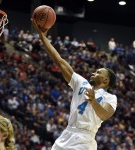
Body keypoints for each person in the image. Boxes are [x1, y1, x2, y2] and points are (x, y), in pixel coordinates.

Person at [31, 19, 117, 150]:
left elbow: (105, 115)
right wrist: (42, 37)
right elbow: (60, 61)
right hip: (66, 134)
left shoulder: (110, 98)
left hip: (85, 139)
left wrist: (93, 101)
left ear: (105, 81)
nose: (94, 73)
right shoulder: (81, 82)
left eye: (98, 72)